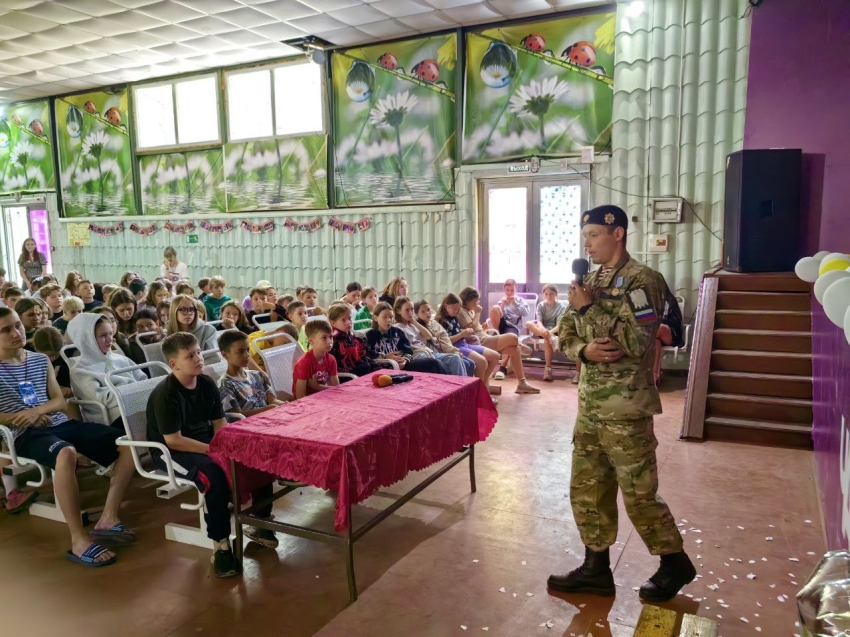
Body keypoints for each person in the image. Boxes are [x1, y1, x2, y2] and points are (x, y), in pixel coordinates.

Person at [548, 204, 695, 602]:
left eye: (594, 235)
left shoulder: (643, 281)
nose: (588, 244)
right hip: (591, 407)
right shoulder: (589, 280)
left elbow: (637, 341)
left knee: (638, 492)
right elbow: (563, 332)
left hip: (626, 410)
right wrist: (582, 351)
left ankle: (674, 562)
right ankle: (596, 568)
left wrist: (589, 310)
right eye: (585, 237)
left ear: (618, 234)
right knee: (588, 487)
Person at [0, 307, 137, 567]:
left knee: (127, 443)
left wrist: (36, 411)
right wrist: (25, 417)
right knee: (66, 453)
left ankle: (108, 516)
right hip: (23, 433)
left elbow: (59, 401)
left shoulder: (39, 360)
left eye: (17, 325)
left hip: (57, 422)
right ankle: (78, 540)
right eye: (6, 330)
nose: (16, 332)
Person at [146, 332, 277, 578]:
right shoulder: (166, 393)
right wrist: (213, 450)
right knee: (212, 475)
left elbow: (219, 423)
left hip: (205, 441)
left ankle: (261, 522)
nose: (198, 359)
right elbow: (173, 439)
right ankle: (220, 545)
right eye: (190, 356)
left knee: (256, 457)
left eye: (198, 353)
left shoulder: (206, 383)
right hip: (170, 451)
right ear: (174, 364)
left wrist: (226, 444)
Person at [67, 313, 147, 428]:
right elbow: (103, 399)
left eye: (110, 333)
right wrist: (137, 391)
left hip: (135, 405)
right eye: (103, 336)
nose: (110, 339)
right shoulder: (80, 370)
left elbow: (143, 379)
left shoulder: (120, 358)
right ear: (87, 339)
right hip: (113, 417)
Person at [458, 287, 539, 394]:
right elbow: (471, 329)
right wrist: (478, 313)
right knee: (513, 338)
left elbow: (475, 327)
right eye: (476, 300)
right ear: (469, 300)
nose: (478, 303)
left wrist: (483, 327)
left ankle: (522, 384)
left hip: (484, 337)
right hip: (479, 342)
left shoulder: (470, 311)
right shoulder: (461, 312)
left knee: (515, 350)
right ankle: (518, 343)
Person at [393, 297, 472, 377]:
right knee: (444, 365)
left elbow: (428, 336)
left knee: (455, 358)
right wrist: (422, 349)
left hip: (430, 352)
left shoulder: (413, 325)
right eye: (407, 310)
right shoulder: (397, 327)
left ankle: (463, 387)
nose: (410, 312)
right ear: (398, 311)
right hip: (419, 354)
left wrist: (413, 321)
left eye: (412, 309)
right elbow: (406, 346)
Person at [415, 300, 486, 384]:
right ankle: (461, 388)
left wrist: (454, 351)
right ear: (416, 314)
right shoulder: (419, 326)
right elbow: (434, 343)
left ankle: (469, 390)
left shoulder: (435, 323)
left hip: (448, 349)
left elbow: (445, 340)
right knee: (463, 362)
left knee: (470, 363)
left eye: (428, 310)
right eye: (423, 311)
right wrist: (454, 351)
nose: (427, 313)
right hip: (437, 353)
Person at [219, 330, 286, 416]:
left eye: (247, 350)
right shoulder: (226, 385)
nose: (247, 355)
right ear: (224, 355)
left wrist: (285, 405)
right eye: (240, 352)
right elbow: (236, 416)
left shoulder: (257, 375)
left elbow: (272, 400)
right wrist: (269, 409)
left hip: (272, 417)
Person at [366, 302, 443, 374]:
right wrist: (386, 356)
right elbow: (368, 356)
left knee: (433, 363)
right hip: (384, 368)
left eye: (391, 317)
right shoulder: (370, 336)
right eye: (384, 317)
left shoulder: (397, 332)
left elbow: (408, 350)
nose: (389, 320)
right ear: (376, 318)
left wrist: (405, 360)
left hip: (402, 365)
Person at [488, 278, 532, 379]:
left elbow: (526, 313)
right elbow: (496, 316)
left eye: (512, 290)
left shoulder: (520, 301)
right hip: (500, 325)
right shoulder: (501, 300)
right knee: (495, 308)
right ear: (504, 290)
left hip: (513, 326)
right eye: (507, 290)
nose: (509, 292)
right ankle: (499, 336)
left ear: (516, 289)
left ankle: (502, 368)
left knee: (509, 339)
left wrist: (515, 303)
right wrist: (502, 305)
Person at [328, 303, 382, 378]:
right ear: (333, 323)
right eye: (343, 320)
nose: (348, 322)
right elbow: (335, 365)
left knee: (374, 368)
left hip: (357, 370)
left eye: (349, 318)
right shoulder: (334, 341)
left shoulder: (353, 337)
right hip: (345, 375)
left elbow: (363, 355)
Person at [526, 284, 566, 382]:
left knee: (547, 340)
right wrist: (544, 331)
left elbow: (559, 325)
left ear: (556, 294)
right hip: (542, 329)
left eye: (551, 294)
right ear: (543, 295)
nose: (549, 296)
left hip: (555, 331)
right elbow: (539, 321)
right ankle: (551, 338)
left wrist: (549, 333)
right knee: (528, 323)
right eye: (546, 294)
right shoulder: (541, 305)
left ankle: (548, 369)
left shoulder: (561, 307)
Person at [292, 320, 339, 399]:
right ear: (311, 341)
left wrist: (317, 386)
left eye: (331, 337)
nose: (329, 341)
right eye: (324, 338)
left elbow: (337, 389)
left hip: (326, 398)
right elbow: (300, 397)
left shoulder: (331, 359)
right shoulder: (304, 363)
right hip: (307, 404)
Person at [653, 283, 684, 385]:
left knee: (659, 328)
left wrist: (660, 321)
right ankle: (654, 376)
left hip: (671, 334)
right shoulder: (647, 301)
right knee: (655, 342)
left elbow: (676, 322)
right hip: (655, 336)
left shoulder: (670, 300)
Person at [31, 326, 73, 399]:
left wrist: (70, 390)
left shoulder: (68, 356)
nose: (53, 359)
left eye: (56, 355)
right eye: (48, 356)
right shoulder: (31, 361)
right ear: (36, 349)